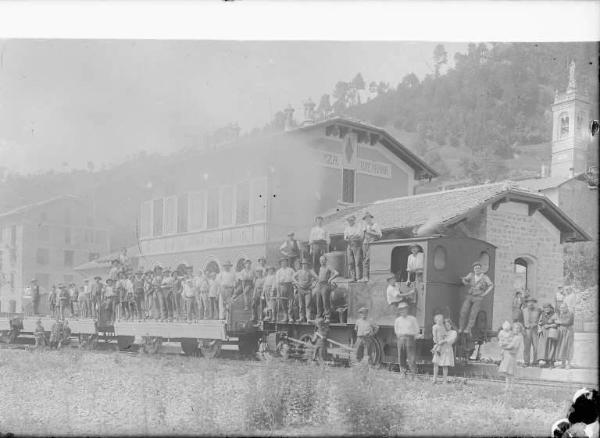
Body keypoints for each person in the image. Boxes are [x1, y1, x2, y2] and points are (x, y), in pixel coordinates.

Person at [458, 261, 494, 335]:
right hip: (470, 296)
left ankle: (468, 328)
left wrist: (484, 293)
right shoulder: (471, 275)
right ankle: (461, 327)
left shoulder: (484, 277)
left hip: (478, 297)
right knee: (463, 311)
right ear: (473, 269)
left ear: (480, 269)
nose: (477, 269)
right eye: (475, 268)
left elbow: (491, 285)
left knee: (473, 314)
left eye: (478, 268)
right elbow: (465, 281)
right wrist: (464, 280)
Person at [394, 301, 419, 377]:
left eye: (404, 309)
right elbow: (396, 330)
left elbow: (417, 329)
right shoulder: (397, 320)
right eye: (401, 309)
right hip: (401, 339)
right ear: (399, 311)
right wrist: (400, 336)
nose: (403, 311)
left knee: (411, 357)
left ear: (407, 310)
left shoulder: (412, 319)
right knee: (401, 356)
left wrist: (412, 337)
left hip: (410, 338)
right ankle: (403, 373)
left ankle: (414, 374)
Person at [498, 322, 524, 391]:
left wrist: (504, 346)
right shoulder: (512, 336)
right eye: (515, 328)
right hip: (507, 355)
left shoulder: (518, 337)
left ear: (520, 330)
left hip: (512, 355)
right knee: (507, 372)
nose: (516, 330)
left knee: (511, 372)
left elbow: (512, 346)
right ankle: (507, 386)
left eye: (518, 328)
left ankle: (512, 386)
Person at [314, 255, 339, 322]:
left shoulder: (328, 267)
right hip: (319, 285)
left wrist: (330, 279)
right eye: (320, 260)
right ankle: (319, 316)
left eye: (323, 260)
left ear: (326, 261)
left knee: (325, 301)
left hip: (325, 285)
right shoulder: (320, 268)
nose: (322, 261)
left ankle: (327, 317)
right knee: (318, 301)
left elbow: (337, 273)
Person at [432, 318, 457, 384]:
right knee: (436, 363)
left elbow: (452, 340)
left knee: (445, 365)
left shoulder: (453, 332)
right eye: (445, 325)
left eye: (448, 325)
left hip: (447, 349)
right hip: (439, 349)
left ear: (451, 325)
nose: (447, 327)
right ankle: (434, 379)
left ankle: (444, 380)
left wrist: (444, 340)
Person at [361, 212, 382, 282]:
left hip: (372, 244)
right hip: (365, 244)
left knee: (368, 260)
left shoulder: (375, 225)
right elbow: (362, 237)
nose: (367, 219)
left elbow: (379, 235)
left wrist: (370, 232)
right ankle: (365, 277)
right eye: (365, 218)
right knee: (364, 260)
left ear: (371, 218)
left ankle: (370, 277)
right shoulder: (364, 226)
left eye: (368, 217)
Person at [522, 297, 542, 367]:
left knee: (536, 347)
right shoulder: (523, 310)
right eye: (529, 302)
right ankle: (526, 362)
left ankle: (535, 362)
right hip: (527, 330)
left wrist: (538, 326)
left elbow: (542, 320)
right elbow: (521, 321)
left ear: (534, 303)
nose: (531, 303)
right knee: (526, 347)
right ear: (527, 303)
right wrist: (523, 330)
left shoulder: (538, 311)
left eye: (532, 302)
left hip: (535, 330)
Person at [537, 303, 559, 367]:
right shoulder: (542, 314)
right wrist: (539, 329)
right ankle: (543, 361)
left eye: (548, 308)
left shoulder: (554, 315)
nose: (546, 309)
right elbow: (539, 323)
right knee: (543, 346)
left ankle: (551, 361)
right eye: (545, 308)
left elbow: (557, 324)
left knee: (551, 346)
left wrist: (549, 325)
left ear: (550, 308)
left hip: (551, 332)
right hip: (543, 332)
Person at [343, 215, 364, 282]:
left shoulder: (358, 226)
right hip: (349, 245)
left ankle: (359, 277)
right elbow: (345, 237)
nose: (350, 221)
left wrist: (350, 236)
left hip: (357, 245)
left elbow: (359, 235)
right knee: (350, 262)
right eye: (348, 220)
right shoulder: (346, 228)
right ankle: (353, 277)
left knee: (358, 262)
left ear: (354, 220)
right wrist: (350, 237)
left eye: (351, 220)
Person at [275, 257, 295, 323]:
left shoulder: (291, 270)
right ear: (280, 263)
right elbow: (277, 282)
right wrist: (278, 292)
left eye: (285, 262)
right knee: (283, 302)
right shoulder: (278, 271)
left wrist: (294, 287)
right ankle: (285, 315)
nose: (283, 263)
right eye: (282, 262)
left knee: (290, 302)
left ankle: (290, 316)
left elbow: (294, 279)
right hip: (282, 286)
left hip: (289, 286)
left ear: (287, 262)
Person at [556, 303, 575, 369]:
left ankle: (568, 364)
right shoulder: (561, 314)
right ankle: (563, 364)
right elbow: (559, 322)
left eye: (563, 307)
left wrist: (559, 322)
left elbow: (568, 322)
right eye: (561, 308)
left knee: (568, 347)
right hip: (562, 332)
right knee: (562, 347)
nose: (562, 309)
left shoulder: (571, 313)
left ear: (567, 307)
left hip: (568, 332)